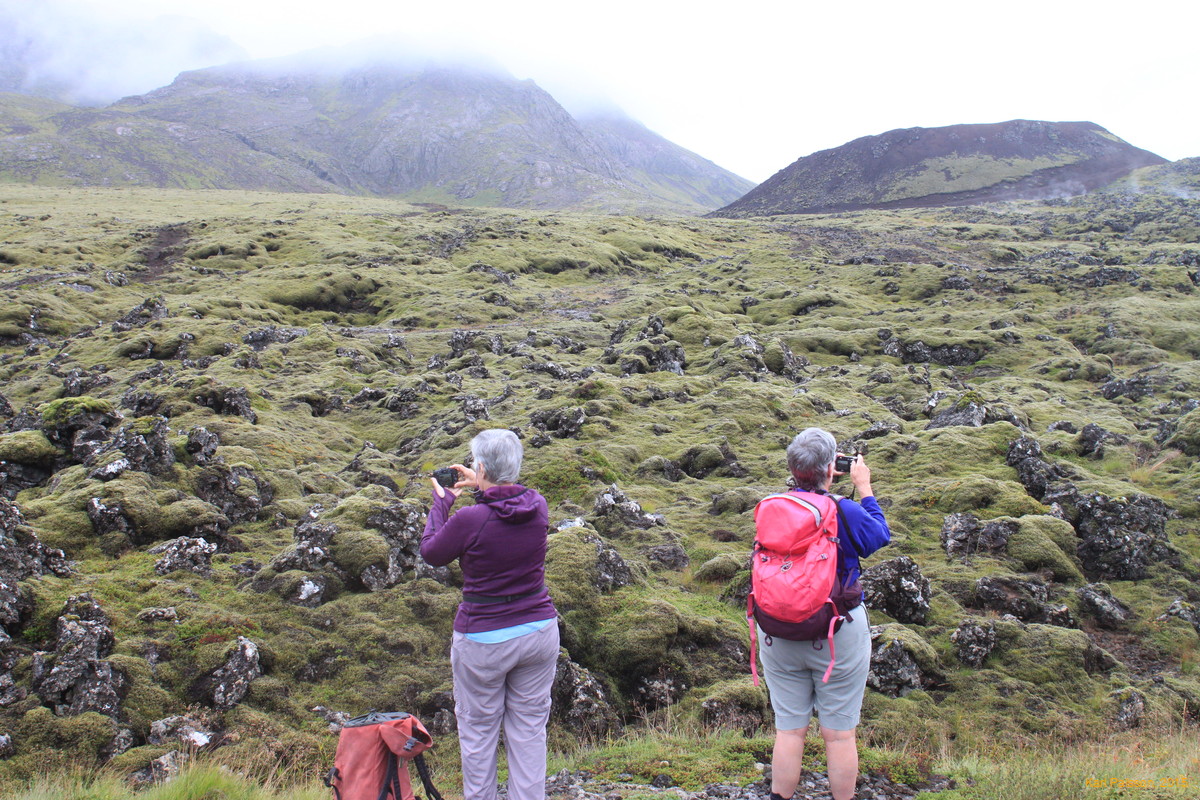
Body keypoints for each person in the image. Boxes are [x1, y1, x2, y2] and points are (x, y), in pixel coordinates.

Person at [421, 428, 559, 800]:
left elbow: (432, 553)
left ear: (480, 466)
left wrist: (441, 503)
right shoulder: (538, 505)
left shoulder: (470, 520)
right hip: (539, 632)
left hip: (483, 640)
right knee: (529, 729)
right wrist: (483, 482)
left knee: (479, 733)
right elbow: (508, 501)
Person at [759, 428, 890, 800]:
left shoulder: (773, 507)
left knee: (789, 730)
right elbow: (879, 536)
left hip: (778, 631)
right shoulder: (842, 509)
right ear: (832, 468)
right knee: (839, 734)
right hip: (837, 634)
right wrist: (864, 489)